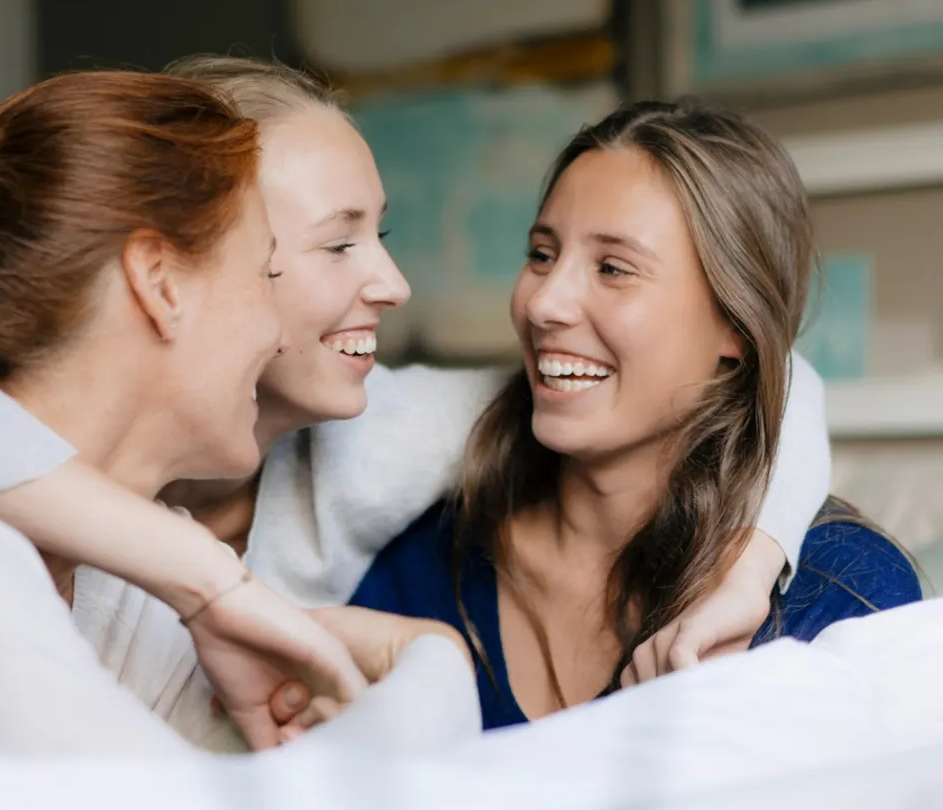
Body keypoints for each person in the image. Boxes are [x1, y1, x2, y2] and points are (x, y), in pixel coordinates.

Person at [0, 66, 831, 750]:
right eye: (310, 250)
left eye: (381, 234)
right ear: (164, 275)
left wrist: (745, 564)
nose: (390, 287)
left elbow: (758, 375)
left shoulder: (368, 447)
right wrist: (208, 582)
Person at [0, 69, 501, 757]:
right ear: (160, 283)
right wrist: (431, 665)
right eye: (260, 269)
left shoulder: (134, 603)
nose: (276, 331)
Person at [348, 99, 921, 729]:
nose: (544, 303)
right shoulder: (423, 562)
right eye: (541, 254)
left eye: (613, 268)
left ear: (734, 325)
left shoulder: (839, 593)